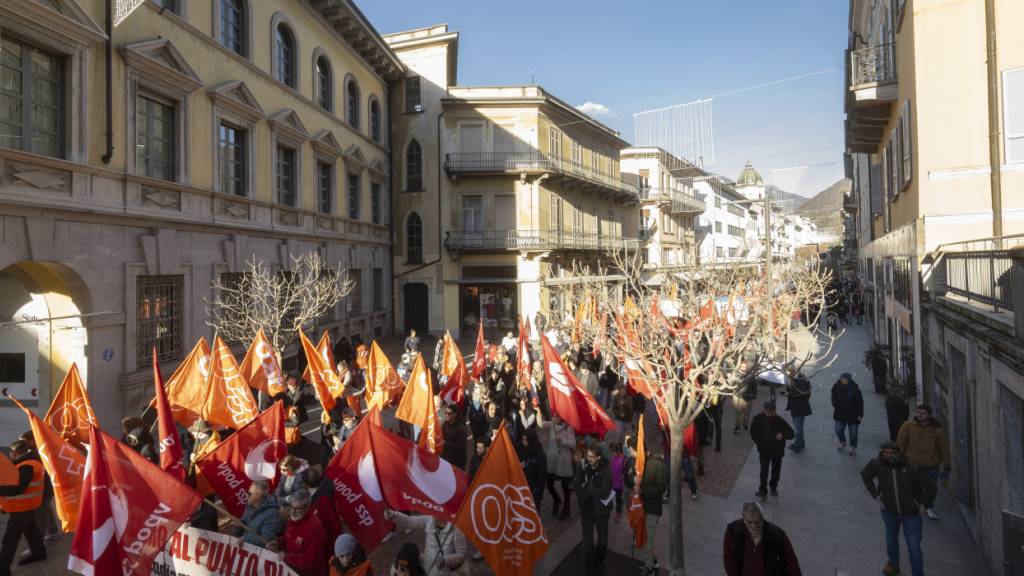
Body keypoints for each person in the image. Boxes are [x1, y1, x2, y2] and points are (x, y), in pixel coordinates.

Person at [861, 441, 935, 576]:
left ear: (899, 453)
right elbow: (865, 475)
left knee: (914, 547)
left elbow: (930, 487)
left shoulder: (913, 468)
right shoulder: (877, 464)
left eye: (892, 453)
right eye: (885, 453)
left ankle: (918, 574)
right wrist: (875, 494)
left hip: (912, 514)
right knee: (891, 540)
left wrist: (924, 504)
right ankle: (893, 565)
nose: (888, 456)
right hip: (889, 511)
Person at [896, 405, 951, 521]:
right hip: (912, 463)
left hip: (930, 464)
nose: (920, 415)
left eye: (923, 413)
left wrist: (947, 466)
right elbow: (901, 442)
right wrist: (898, 459)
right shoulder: (908, 426)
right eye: (918, 412)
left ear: (929, 415)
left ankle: (929, 507)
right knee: (912, 486)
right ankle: (914, 505)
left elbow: (944, 448)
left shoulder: (937, 430)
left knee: (930, 487)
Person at [0, 440, 47, 574]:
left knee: (10, 538)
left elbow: (18, 487)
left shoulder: (27, 466)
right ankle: (39, 552)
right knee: (31, 530)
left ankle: (3, 567)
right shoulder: (28, 462)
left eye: (10, 452)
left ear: (15, 453)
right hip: (27, 504)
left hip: (22, 506)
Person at [723, 501, 802, 576]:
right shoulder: (733, 531)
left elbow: (793, 564)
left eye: (757, 522)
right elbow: (729, 560)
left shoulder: (777, 536)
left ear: (762, 518)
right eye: (749, 522)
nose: (754, 526)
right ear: (743, 519)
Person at [384, 508, 469, 576]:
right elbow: (410, 522)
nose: (433, 512)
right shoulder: (429, 520)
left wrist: (445, 560)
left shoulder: (456, 529)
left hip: (445, 570)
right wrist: (393, 515)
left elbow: (461, 554)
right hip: (427, 565)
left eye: (437, 509)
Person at [574, 441, 613, 574]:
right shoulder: (582, 465)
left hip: (602, 511)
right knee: (588, 541)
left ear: (599, 457)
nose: (589, 459)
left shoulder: (606, 468)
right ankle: (589, 565)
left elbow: (604, 493)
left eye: (592, 457)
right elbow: (577, 486)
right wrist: (585, 494)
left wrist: (589, 488)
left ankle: (600, 560)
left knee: (602, 540)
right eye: (587, 456)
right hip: (586, 509)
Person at [632, 447, 669, 576]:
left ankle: (650, 568)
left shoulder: (658, 465)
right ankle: (652, 560)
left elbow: (661, 488)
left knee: (648, 539)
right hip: (642, 507)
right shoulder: (639, 463)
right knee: (645, 537)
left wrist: (642, 490)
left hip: (652, 508)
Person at [275, 488, 326, 576]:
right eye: (292, 507)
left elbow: (310, 560)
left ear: (307, 508)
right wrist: (278, 543)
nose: (293, 512)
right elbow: (289, 537)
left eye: (297, 509)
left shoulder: (315, 527)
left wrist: (287, 557)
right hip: (292, 569)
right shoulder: (294, 518)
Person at [749, 401, 794, 500]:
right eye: (766, 411)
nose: (768, 413)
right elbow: (753, 432)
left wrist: (783, 435)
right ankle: (762, 491)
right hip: (764, 450)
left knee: (776, 471)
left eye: (770, 411)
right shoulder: (757, 419)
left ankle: (773, 487)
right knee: (763, 471)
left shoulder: (780, 421)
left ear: (774, 411)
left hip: (777, 451)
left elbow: (791, 434)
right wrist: (759, 443)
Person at [234, 480, 284, 547]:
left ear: (259, 496)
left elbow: (267, 540)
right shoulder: (249, 506)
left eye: (249, 493)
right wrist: (237, 527)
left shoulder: (272, 514)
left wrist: (245, 539)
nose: (246, 495)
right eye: (247, 491)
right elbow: (243, 525)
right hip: (245, 548)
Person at [545, 415, 576, 521]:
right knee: (549, 485)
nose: (554, 417)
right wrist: (537, 410)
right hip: (552, 461)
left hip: (564, 462)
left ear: (562, 417)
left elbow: (573, 444)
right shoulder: (551, 425)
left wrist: (562, 440)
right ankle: (556, 499)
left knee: (565, 487)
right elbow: (540, 424)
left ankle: (566, 508)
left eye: (556, 416)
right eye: (553, 416)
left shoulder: (569, 428)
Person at [831, 373, 864, 455]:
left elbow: (860, 403)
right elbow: (833, 397)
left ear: (849, 380)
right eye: (842, 379)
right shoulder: (836, 387)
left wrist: (860, 414)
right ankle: (843, 442)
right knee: (838, 430)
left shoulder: (855, 389)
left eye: (845, 379)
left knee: (853, 432)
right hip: (840, 413)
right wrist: (835, 404)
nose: (843, 381)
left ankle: (853, 447)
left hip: (853, 414)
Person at [784, 369, 812, 453]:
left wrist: (789, 394)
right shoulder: (791, 381)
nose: (789, 374)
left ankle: (797, 445)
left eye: (791, 372)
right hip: (794, 407)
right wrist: (786, 393)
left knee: (798, 429)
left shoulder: (802, 382)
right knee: (798, 428)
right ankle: (802, 443)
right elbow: (790, 391)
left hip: (800, 408)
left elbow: (800, 394)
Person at [519, 428, 547, 508]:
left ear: (531, 440)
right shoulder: (525, 449)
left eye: (525, 440)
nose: (523, 442)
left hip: (534, 490)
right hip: (526, 487)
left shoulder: (540, 456)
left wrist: (536, 494)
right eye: (523, 439)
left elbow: (541, 478)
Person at [733, 360, 758, 433]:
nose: (743, 368)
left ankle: (745, 424)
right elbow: (733, 385)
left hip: (748, 396)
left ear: (747, 367)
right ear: (740, 367)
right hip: (738, 396)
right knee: (738, 412)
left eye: (745, 367)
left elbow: (754, 386)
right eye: (742, 366)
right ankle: (737, 426)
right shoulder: (736, 374)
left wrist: (754, 396)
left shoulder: (751, 375)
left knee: (747, 412)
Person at [441, 404, 468, 470]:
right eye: (446, 413)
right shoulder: (445, 424)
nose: (447, 415)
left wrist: (445, 443)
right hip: (446, 458)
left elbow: (461, 446)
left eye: (449, 413)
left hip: (457, 461)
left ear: (455, 414)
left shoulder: (461, 428)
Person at [608, 442, 625, 522]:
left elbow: (623, 473)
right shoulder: (613, 459)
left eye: (614, 452)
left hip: (620, 485)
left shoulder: (622, 460)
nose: (613, 454)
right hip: (613, 483)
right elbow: (611, 469)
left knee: (618, 500)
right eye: (612, 453)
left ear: (618, 451)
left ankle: (618, 513)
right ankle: (612, 510)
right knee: (610, 498)